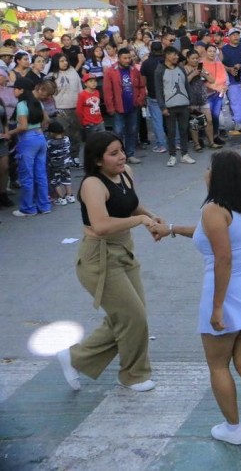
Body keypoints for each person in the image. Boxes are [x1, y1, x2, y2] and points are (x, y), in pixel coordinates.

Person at [148, 151, 241, 455]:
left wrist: (217, 307)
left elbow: (223, 257)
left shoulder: (213, 209)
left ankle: (233, 428)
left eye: (209, 167)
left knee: (218, 365)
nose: (205, 172)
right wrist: (170, 228)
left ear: (218, 175)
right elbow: (208, 236)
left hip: (228, 291)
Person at [55, 132, 163, 393]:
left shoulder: (125, 172)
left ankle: (76, 357)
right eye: (113, 153)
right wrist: (139, 221)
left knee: (128, 316)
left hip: (124, 250)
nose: (121, 156)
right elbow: (101, 225)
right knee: (132, 317)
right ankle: (133, 375)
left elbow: (130, 204)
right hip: (98, 256)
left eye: (121, 150)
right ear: (98, 160)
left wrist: (151, 216)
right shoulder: (92, 184)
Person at [10, 78, 52, 217]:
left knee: (26, 175)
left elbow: (22, 126)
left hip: (27, 140)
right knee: (41, 174)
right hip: (40, 138)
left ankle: (28, 207)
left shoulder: (22, 104)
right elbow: (47, 120)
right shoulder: (38, 103)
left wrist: (8, 133)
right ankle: (44, 205)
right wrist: (39, 128)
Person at [102, 47, 146, 165]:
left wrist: (140, 99)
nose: (127, 60)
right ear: (119, 58)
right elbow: (107, 91)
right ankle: (119, 156)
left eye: (129, 58)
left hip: (132, 106)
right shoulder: (111, 71)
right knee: (118, 132)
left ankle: (130, 154)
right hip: (118, 107)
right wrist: (110, 107)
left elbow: (141, 86)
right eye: (124, 58)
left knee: (132, 131)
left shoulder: (134, 70)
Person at [155, 47, 196, 167]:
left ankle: (185, 155)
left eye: (177, 55)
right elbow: (159, 90)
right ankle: (172, 155)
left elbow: (186, 85)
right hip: (169, 107)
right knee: (171, 132)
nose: (177, 57)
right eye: (174, 55)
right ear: (167, 55)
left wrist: (191, 101)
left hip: (184, 105)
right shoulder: (159, 70)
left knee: (184, 130)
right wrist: (162, 107)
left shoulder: (181, 68)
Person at [46, 120, 74, 206]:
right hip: (66, 164)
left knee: (55, 181)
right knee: (67, 179)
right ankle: (70, 196)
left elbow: (48, 152)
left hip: (55, 166)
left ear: (52, 133)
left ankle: (61, 198)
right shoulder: (66, 139)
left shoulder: (50, 143)